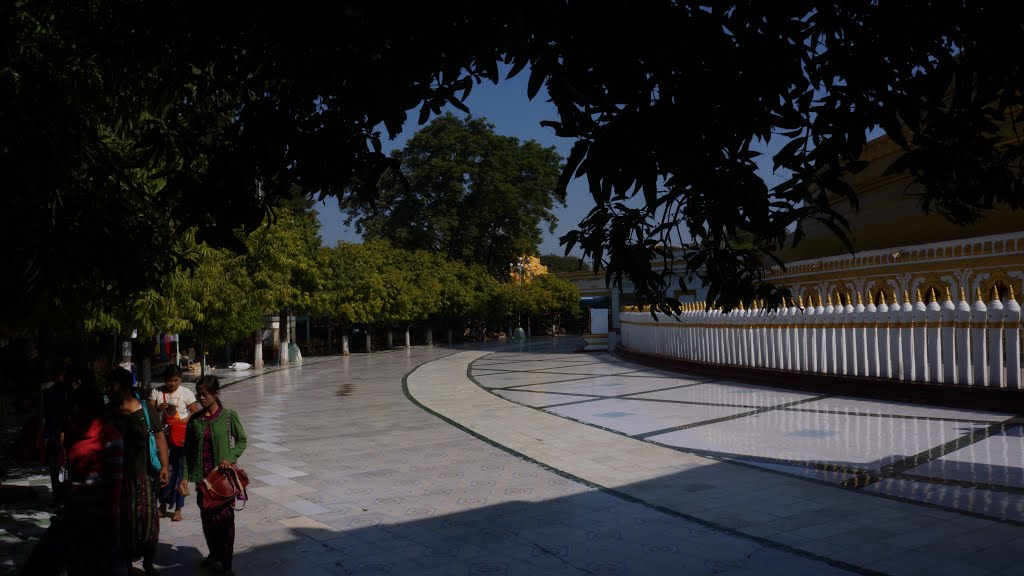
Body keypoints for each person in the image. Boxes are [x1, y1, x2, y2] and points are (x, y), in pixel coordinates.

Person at [180, 376, 246, 576]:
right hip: (203, 480)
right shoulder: (195, 420)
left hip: (222, 480)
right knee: (207, 520)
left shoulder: (228, 416)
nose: (201, 398)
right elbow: (188, 451)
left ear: (216, 393)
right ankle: (214, 553)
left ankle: (227, 564)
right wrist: (184, 477)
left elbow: (242, 441)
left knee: (225, 523)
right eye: (199, 394)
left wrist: (230, 457)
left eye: (205, 394)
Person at [106, 367, 169, 576]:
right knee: (123, 522)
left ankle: (148, 563)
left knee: (149, 521)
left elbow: (160, 438)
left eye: (111, 385)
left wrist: (165, 466)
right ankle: (127, 563)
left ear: (124, 387)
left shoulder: (145, 409)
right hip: (116, 478)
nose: (107, 389)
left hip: (144, 477)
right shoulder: (108, 412)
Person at [63, 381, 126, 576]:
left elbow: (115, 483)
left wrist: (110, 520)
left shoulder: (110, 437)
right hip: (75, 517)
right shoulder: (73, 435)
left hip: (100, 520)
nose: (72, 409)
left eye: (76, 404)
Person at [147, 365, 199, 521]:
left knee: (180, 472)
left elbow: (195, 412)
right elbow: (148, 412)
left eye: (176, 381)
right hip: (162, 439)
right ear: (164, 380)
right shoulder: (157, 392)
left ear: (180, 380)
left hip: (180, 439)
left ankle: (178, 509)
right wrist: (158, 410)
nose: (172, 384)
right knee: (163, 471)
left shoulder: (186, 393)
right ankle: (162, 505)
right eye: (170, 381)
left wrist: (183, 421)